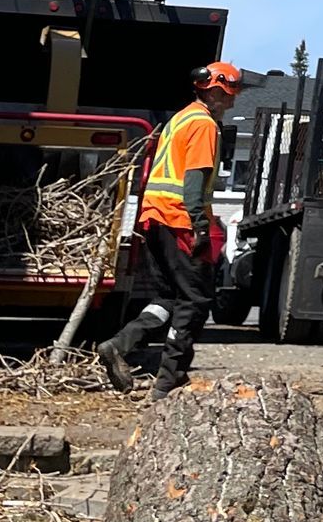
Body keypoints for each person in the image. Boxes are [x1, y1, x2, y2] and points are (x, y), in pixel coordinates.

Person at [100, 59, 241, 397]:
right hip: (180, 220)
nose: (227, 102)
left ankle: (121, 344)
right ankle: (169, 379)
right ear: (214, 93)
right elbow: (193, 180)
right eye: (224, 95)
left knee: (168, 296)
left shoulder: (179, 118)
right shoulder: (204, 125)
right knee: (194, 300)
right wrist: (200, 225)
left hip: (155, 217)